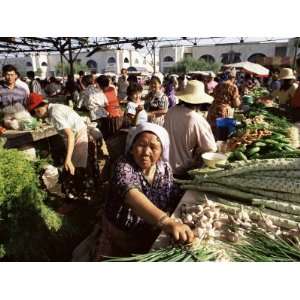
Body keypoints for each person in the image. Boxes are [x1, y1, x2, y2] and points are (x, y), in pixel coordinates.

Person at [94, 122, 194, 259]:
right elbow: (131, 195)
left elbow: (170, 192)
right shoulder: (123, 166)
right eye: (141, 145)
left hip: (149, 232)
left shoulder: (164, 168)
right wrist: (167, 222)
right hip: (120, 236)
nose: (146, 152)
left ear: (162, 151)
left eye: (153, 147)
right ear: (131, 148)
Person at [28, 93, 97, 201]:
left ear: (40, 108)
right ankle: (82, 197)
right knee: (79, 169)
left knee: (76, 170)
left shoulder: (54, 113)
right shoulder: (54, 109)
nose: (36, 116)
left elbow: (70, 135)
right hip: (79, 134)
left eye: (35, 112)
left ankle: (79, 199)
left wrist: (68, 159)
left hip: (78, 137)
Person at [164, 80, 217, 177]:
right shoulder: (197, 119)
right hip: (183, 170)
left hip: (164, 167)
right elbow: (211, 148)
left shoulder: (170, 112)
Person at [207, 68, 241, 135]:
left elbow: (214, 96)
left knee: (212, 133)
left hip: (213, 109)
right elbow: (236, 104)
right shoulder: (233, 87)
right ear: (233, 77)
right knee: (221, 135)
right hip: (223, 112)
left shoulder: (218, 85)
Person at [97, 75, 123, 139]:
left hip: (110, 116)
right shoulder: (112, 88)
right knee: (116, 135)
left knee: (110, 136)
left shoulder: (101, 93)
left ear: (100, 84)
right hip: (118, 113)